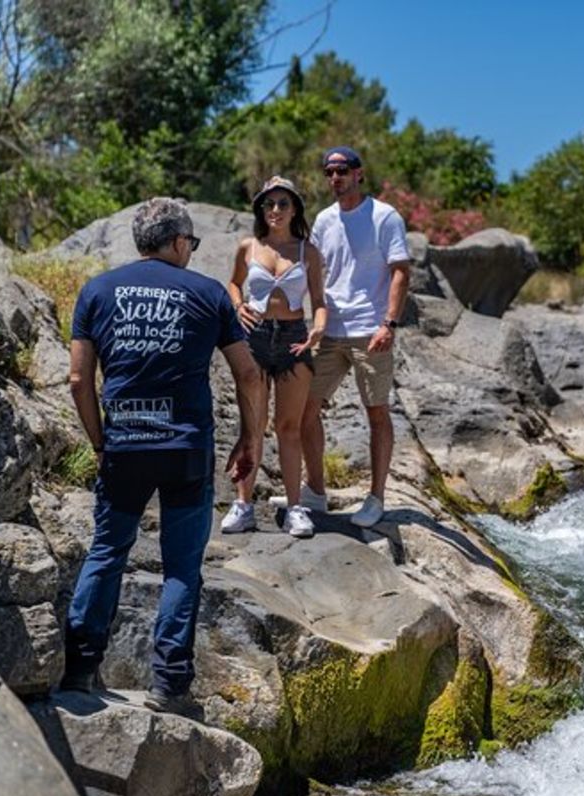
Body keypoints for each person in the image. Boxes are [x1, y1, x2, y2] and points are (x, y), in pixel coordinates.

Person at [61, 197, 261, 714]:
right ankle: (169, 687)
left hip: (124, 444)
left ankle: (79, 671)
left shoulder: (97, 290)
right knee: (181, 567)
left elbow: (79, 379)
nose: (191, 250)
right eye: (190, 243)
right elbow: (248, 373)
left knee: (108, 551)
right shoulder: (209, 293)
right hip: (185, 450)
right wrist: (251, 438)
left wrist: (99, 441)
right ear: (176, 242)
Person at [299, 146, 411, 527]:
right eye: (329, 172)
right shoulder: (324, 219)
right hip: (330, 330)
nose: (335, 178)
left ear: (359, 173)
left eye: (342, 170)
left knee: (376, 411)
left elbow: (400, 271)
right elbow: (315, 270)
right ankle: (315, 492)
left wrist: (389, 324)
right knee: (305, 409)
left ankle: (376, 498)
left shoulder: (384, 216)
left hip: (370, 330)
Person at [221, 176, 327, 538]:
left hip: (295, 338)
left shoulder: (307, 252)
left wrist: (318, 328)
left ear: (294, 209)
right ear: (260, 209)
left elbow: (319, 301)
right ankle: (243, 504)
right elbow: (233, 283)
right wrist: (238, 305)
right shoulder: (249, 247)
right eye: (269, 204)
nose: (275, 210)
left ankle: (295, 507)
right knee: (252, 424)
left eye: (283, 203)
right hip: (255, 337)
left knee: (288, 427)